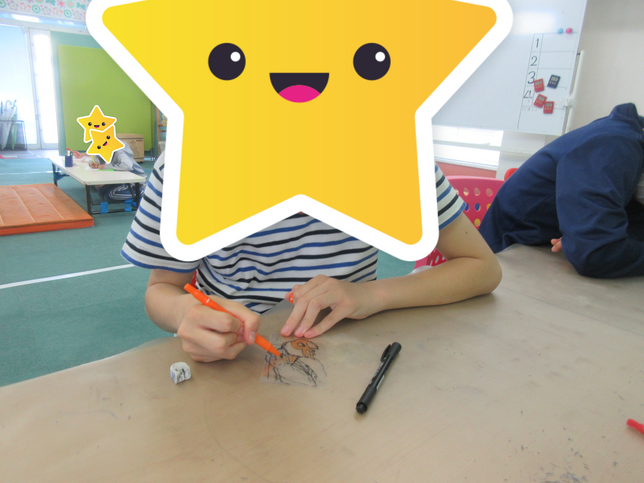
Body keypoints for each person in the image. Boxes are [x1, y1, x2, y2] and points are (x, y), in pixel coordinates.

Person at [121, 153, 502, 362]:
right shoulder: (187, 164)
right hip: (230, 362)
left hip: (353, 359)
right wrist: (184, 312)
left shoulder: (396, 153)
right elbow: (161, 289)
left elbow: (481, 268)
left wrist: (370, 294)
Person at [479, 103, 644, 278]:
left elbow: (624, 227)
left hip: (543, 252)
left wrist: (583, 236)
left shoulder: (627, 137)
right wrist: (588, 239)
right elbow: (597, 253)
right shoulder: (613, 146)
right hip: (503, 258)